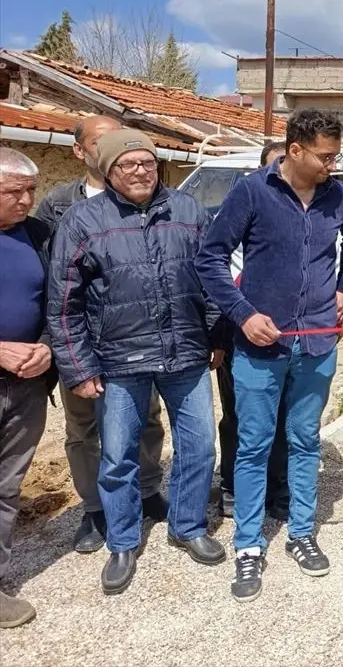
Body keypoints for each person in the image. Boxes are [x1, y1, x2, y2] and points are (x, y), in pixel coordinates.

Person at [195, 109, 343, 603]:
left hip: (317, 345)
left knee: (305, 441)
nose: (333, 165)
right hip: (260, 348)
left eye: (336, 155)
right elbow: (210, 258)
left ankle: (301, 533)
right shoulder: (252, 192)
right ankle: (248, 545)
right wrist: (243, 315)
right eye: (325, 156)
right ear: (295, 150)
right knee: (253, 445)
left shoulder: (340, 196)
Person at [47, 130, 225, 596]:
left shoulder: (187, 210)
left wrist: (213, 334)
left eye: (147, 162)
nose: (141, 171)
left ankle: (188, 525)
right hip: (119, 360)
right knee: (117, 456)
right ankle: (123, 541)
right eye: (128, 164)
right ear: (108, 171)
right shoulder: (83, 220)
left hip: (185, 354)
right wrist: (79, 367)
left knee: (199, 447)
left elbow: (213, 278)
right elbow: (64, 304)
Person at [34, 115, 168, 553]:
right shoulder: (58, 205)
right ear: (80, 151)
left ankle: (147, 490)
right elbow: (54, 281)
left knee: (147, 419)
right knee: (84, 427)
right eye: (99, 141)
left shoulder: (148, 196)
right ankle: (95, 508)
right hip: (82, 341)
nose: (114, 148)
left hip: (136, 341)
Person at [214, 140, 289, 521]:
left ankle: (278, 488)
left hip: (287, 336)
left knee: (283, 416)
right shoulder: (238, 209)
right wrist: (221, 335)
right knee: (237, 416)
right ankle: (232, 485)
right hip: (238, 330)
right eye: (275, 166)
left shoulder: (302, 214)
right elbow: (215, 273)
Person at [0, 149, 55, 628]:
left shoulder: (38, 235)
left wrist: (48, 346)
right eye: (13, 192)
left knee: (6, 486)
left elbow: (61, 302)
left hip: (26, 386)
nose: (26, 200)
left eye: (31, 191)